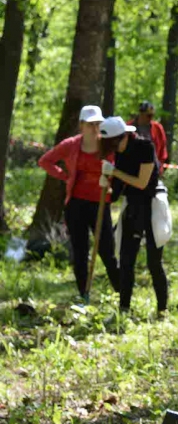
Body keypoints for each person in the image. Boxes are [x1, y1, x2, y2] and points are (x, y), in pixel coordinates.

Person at [38, 105, 120, 299]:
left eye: (98, 123)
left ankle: (122, 295)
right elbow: (45, 161)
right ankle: (84, 294)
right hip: (76, 205)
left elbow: (120, 169)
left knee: (107, 252)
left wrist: (111, 179)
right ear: (81, 125)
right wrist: (64, 176)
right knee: (80, 253)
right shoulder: (71, 145)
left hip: (100, 204)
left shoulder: (107, 146)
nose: (95, 128)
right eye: (90, 124)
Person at [98, 116, 169, 316]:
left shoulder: (145, 147)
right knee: (126, 260)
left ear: (122, 137)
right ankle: (124, 308)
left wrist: (115, 173)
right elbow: (119, 190)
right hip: (132, 207)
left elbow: (142, 183)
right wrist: (108, 185)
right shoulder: (119, 153)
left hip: (152, 205)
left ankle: (162, 309)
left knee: (154, 262)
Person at [130, 101, 168, 172]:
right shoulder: (129, 127)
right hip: (133, 167)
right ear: (141, 113)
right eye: (149, 116)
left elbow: (163, 148)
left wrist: (160, 165)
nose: (151, 118)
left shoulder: (158, 128)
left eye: (152, 115)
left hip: (153, 168)